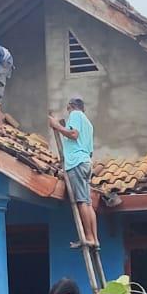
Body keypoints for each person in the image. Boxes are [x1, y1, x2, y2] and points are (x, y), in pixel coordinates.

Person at [47, 97, 98, 248]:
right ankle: (94, 238)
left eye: (68, 108)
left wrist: (56, 126)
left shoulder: (75, 115)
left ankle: (88, 237)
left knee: (82, 201)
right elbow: (89, 151)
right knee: (88, 203)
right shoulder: (88, 124)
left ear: (71, 106)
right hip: (85, 163)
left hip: (76, 162)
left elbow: (73, 134)